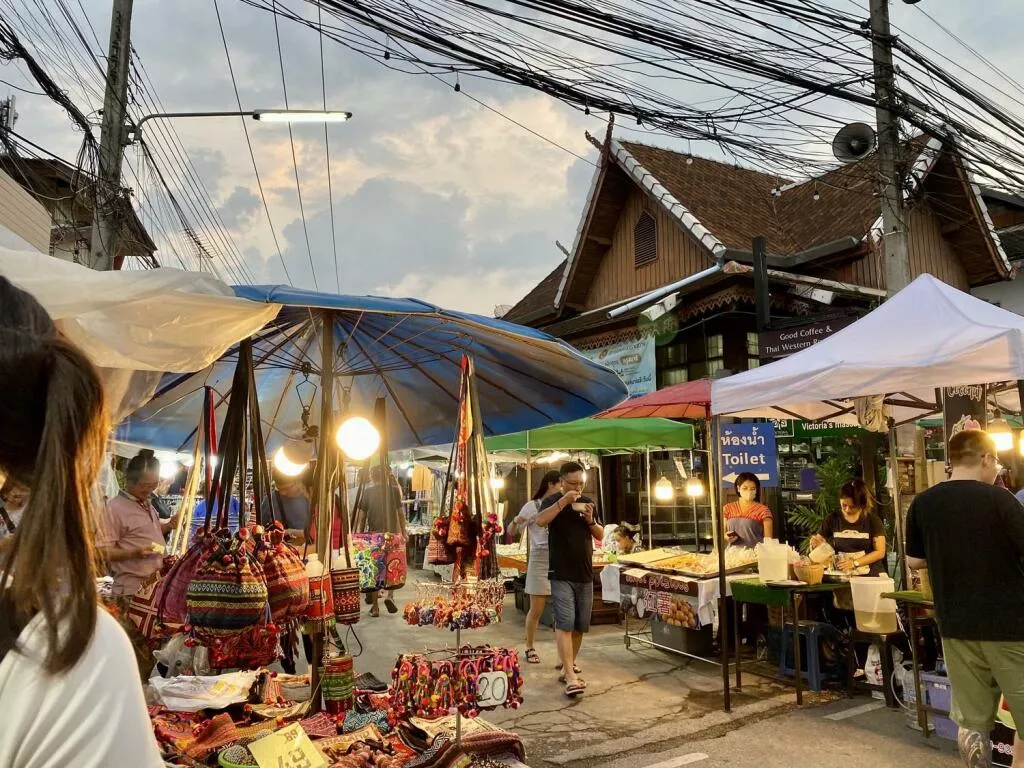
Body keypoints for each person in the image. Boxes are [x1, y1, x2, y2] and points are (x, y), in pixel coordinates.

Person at [0, 276, 162, 767]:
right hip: (130, 594)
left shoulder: (59, 648)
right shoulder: (65, 652)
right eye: (149, 482)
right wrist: (137, 553)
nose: (152, 488)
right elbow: (102, 552)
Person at [906, 430, 1024, 768]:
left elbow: (914, 561)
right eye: (996, 463)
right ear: (986, 458)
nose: (997, 470)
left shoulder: (923, 502)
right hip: (1010, 626)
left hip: (955, 624)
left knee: (972, 722)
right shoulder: (999, 500)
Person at [535, 461, 603, 698]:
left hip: (585, 573)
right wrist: (564, 502)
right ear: (562, 482)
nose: (578, 488)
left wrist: (591, 521)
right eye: (573, 483)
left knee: (579, 626)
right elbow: (541, 521)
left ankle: (568, 666)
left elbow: (600, 534)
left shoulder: (588, 503)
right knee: (565, 622)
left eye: (582, 483)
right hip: (561, 572)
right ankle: (571, 677)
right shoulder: (552, 502)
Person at [97, 450, 180, 599]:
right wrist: (133, 553)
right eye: (145, 486)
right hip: (131, 592)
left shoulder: (146, 503)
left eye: (153, 485)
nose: (149, 491)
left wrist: (168, 525)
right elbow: (102, 551)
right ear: (130, 481)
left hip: (154, 588)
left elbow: (146, 533)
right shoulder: (115, 509)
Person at [507, 470, 561, 665]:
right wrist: (517, 521)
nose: (562, 489)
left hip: (559, 557)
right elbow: (511, 531)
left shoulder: (562, 505)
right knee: (536, 609)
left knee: (562, 609)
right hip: (539, 558)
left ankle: (563, 655)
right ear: (550, 484)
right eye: (560, 485)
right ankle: (529, 647)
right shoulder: (532, 506)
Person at [354, 465, 405, 617]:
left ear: (372, 477)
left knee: (375, 572)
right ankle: (390, 597)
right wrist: (404, 532)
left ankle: (375, 607)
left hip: (374, 536)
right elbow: (400, 514)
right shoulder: (394, 491)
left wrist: (360, 536)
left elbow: (362, 517)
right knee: (393, 567)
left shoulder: (368, 492)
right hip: (393, 535)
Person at [809, 478, 886, 576]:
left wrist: (855, 563)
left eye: (852, 506)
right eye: (844, 505)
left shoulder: (873, 521)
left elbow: (880, 552)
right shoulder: (832, 519)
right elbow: (818, 542)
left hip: (871, 575)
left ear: (862, 504)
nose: (847, 509)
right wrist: (815, 544)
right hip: (843, 576)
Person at [260, 467, 312, 547]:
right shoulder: (270, 501)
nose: (283, 493)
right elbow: (260, 529)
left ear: (298, 481)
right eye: (280, 489)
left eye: (287, 488)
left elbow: (319, 533)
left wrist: (290, 532)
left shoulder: (309, 497)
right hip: (280, 553)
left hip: (309, 553)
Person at [722, 472, 773, 548]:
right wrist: (726, 537)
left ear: (756, 490)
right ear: (738, 488)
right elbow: (722, 534)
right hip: (732, 556)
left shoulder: (763, 510)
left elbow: (768, 540)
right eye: (745, 488)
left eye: (752, 489)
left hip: (755, 556)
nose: (749, 491)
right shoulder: (727, 508)